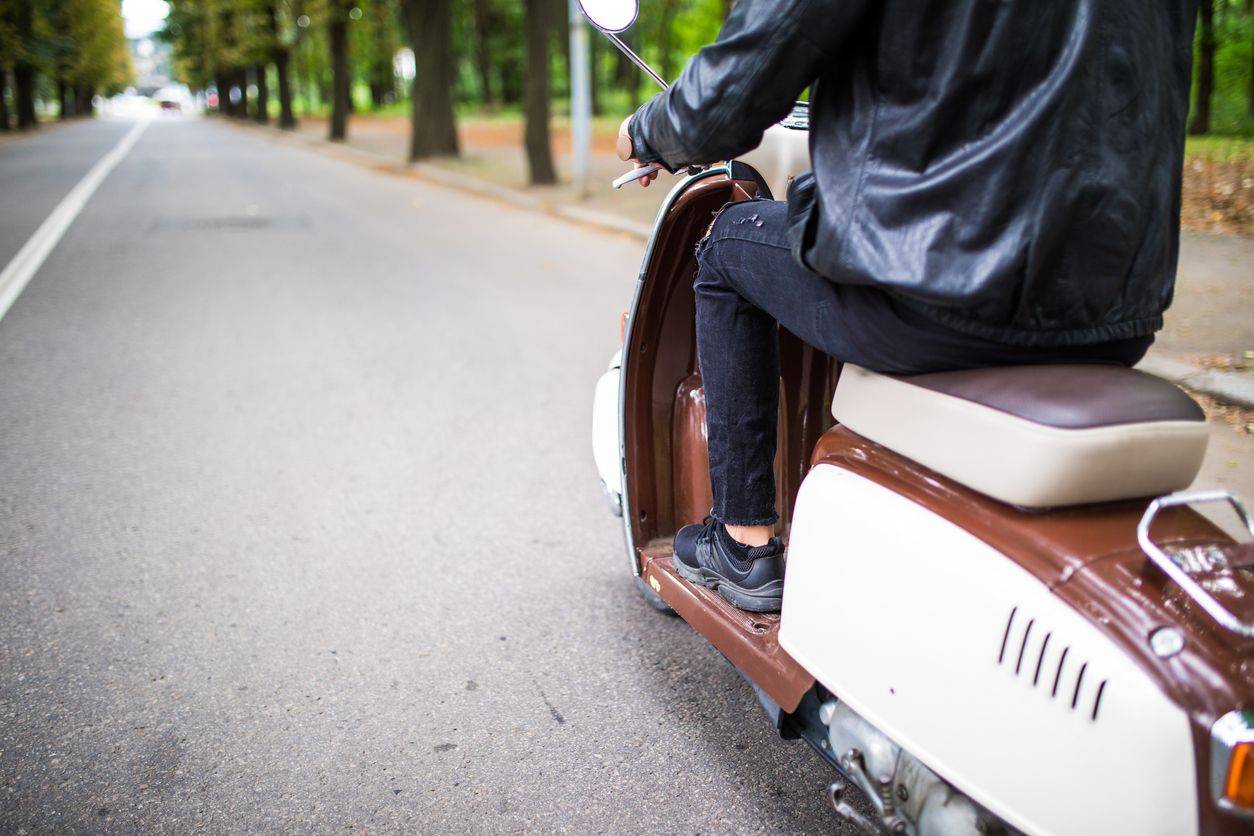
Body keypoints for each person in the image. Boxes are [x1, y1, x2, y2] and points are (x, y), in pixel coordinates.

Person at [615, 0, 1197, 613]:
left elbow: (731, 91)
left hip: (933, 294)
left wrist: (647, 130)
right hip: (1113, 314)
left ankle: (743, 541)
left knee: (729, 242)